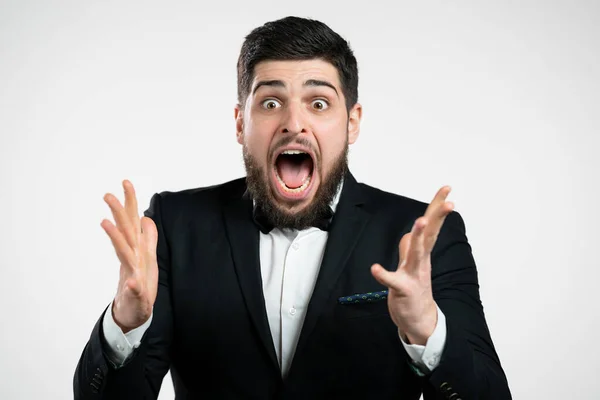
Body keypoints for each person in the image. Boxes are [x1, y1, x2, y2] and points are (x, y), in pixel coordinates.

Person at [74, 16, 511, 399]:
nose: (294, 122)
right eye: (270, 102)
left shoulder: (423, 238)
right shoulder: (174, 227)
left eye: (318, 103)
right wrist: (124, 325)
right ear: (241, 123)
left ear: (352, 122)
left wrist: (428, 332)